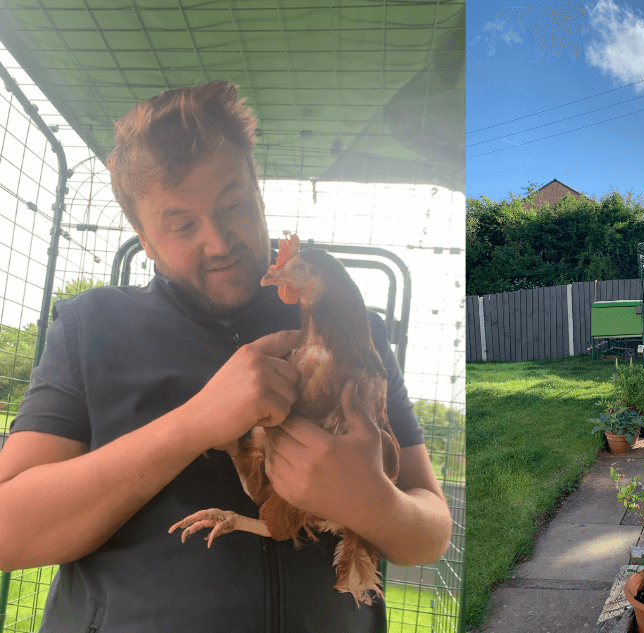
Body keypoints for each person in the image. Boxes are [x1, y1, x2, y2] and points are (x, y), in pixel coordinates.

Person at [0, 81, 452, 632]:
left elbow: (431, 530)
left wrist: (373, 502)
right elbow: (7, 531)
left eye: (233, 205)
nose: (218, 241)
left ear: (258, 191)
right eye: (183, 225)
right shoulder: (91, 327)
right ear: (144, 238)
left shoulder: (359, 338)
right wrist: (195, 423)